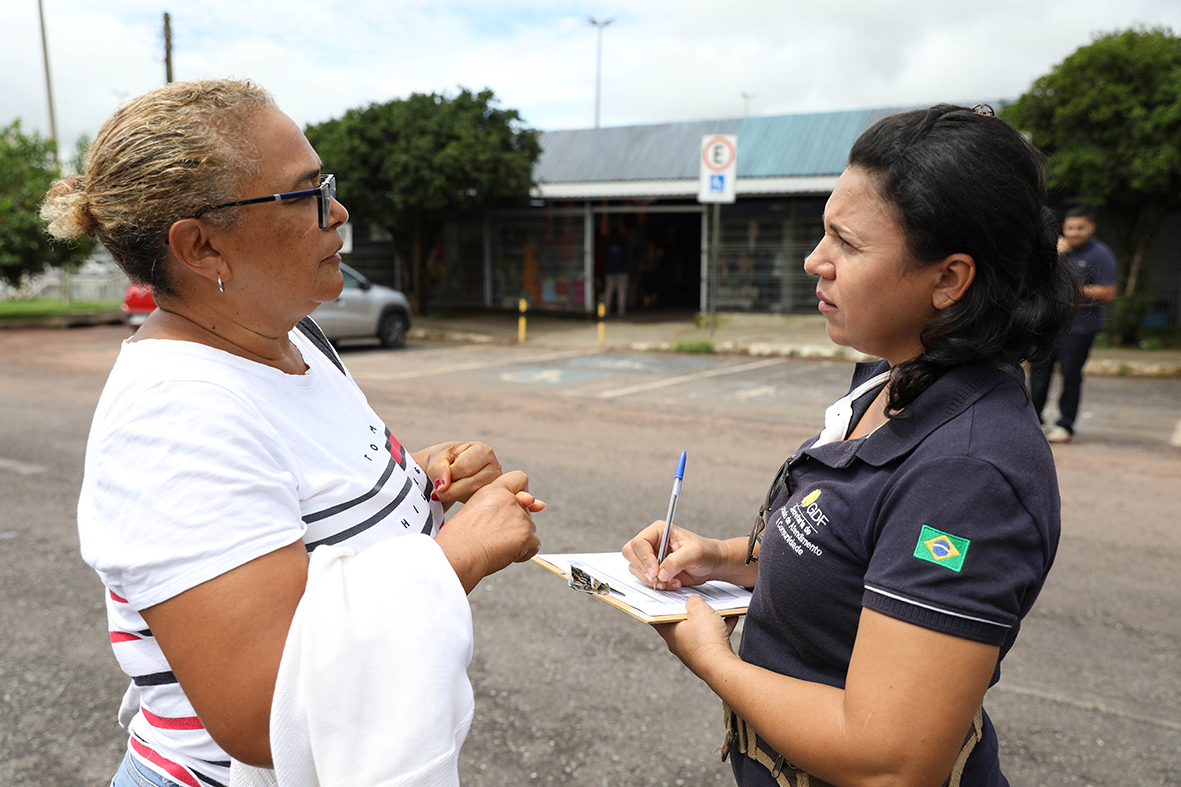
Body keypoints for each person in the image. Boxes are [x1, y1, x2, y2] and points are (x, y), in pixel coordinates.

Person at [41, 79, 543, 787]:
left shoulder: (294, 338)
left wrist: (426, 474)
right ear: (202, 247)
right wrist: (456, 556)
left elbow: (309, 500)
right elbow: (260, 711)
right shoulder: (174, 416)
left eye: (325, 183)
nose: (336, 211)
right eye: (305, 193)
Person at [623, 104, 1078, 787]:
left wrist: (712, 658)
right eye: (821, 234)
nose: (815, 260)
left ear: (949, 280)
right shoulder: (892, 377)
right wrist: (721, 557)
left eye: (847, 242)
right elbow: (857, 552)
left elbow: (889, 759)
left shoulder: (969, 474)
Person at [1029, 206, 1118, 443]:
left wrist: (1071, 289)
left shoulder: (1100, 254)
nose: (1074, 232)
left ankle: (1065, 425)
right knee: (1038, 374)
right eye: (1069, 227)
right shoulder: (1055, 249)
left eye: (1080, 228)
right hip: (1047, 324)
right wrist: (1053, 254)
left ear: (1091, 227)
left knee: (1070, 376)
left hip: (1080, 328)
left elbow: (1108, 292)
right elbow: (1031, 278)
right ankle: (1034, 422)